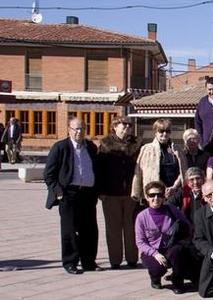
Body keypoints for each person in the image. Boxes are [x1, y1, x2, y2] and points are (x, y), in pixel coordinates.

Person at [43, 116, 101, 274]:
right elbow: (48, 174)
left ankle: (89, 261)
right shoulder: (60, 147)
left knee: (89, 229)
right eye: (76, 129)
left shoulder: (90, 147)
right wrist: (58, 191)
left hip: (88, 194)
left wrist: (96, 191)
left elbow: (97, 170)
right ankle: (70, 262)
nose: (80, 132)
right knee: (69, 230)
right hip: (68, 194)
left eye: (82, 128)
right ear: (69, 130)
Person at [96, 116, 140, 270]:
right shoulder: (105, 144)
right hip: (110, 192)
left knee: (132, 227)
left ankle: (132, 258)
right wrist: (100, 190)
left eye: (130, 124)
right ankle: (115, 260)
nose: (128, 127)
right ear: (115, 126)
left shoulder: (137, 143)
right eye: (124, 124)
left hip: (131, 193)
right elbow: (99, 169)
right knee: (113, 228)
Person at [134, 181, 191, 294]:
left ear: (164, 196)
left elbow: (187, 225)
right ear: (146, 197)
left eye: (159, 195)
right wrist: (155, 253)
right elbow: (140, 242)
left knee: (177, 252)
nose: (156, 198)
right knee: (157, 268)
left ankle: (178, 281)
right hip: (152, 251)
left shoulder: (171, 209)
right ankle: (155, 278)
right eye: (152, 195)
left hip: (171, 247)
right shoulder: (142, 217)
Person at [132, 119, 187, 202]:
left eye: (167, 131)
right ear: (155, 132)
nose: (164, 134)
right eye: (161, 131)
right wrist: (136, 192)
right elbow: (139, 171)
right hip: (155, 193)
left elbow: (183, 170)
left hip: (175, 192)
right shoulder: (147, 149)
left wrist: (174, 187)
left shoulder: (178, 149)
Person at [195, 76, 213, 152]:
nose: (212, 92)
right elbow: (198, 122)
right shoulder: (202, 102)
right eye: (209, 89)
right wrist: (201, 140)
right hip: (206, 145)